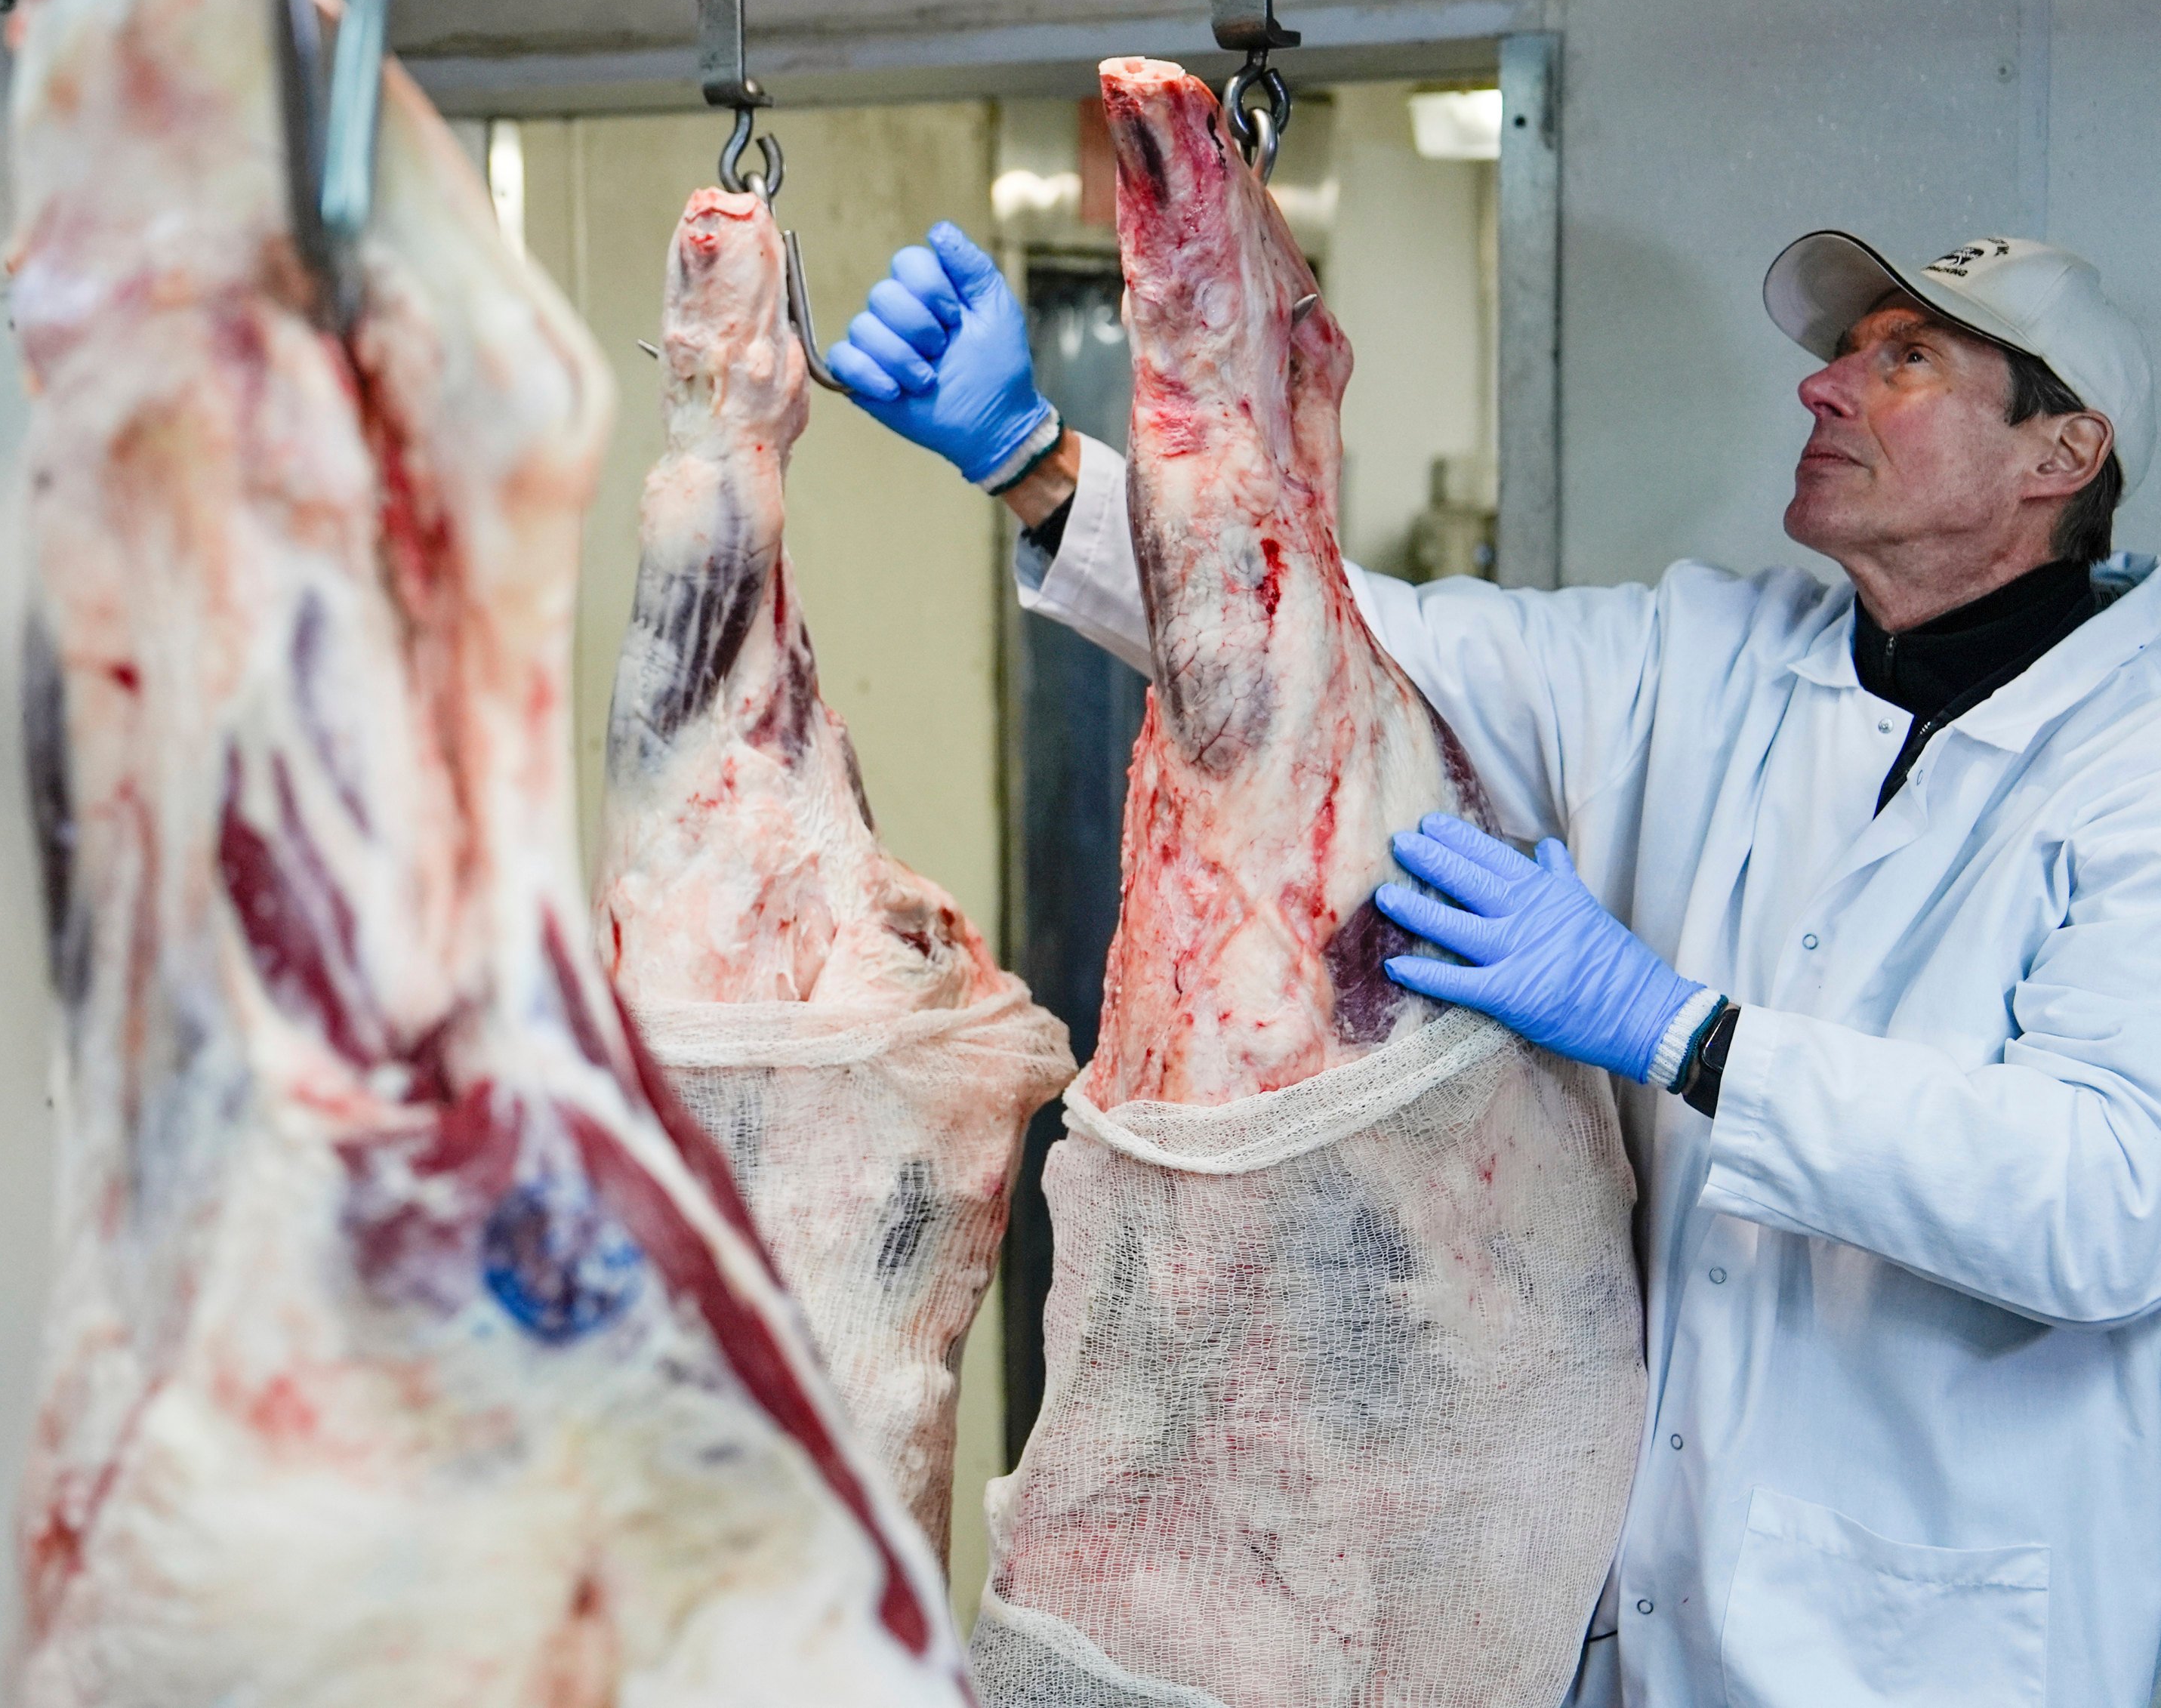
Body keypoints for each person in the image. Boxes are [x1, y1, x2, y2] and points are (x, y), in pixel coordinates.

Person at [831, 222, 2161, 1707]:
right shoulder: (1701, 661)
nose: (1823, 390)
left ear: (2060, 450)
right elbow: (1319, 660)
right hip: (1643, 1621)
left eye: (1900, 358)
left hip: (1954, 1640)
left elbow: (2112, 1198)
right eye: (1838, 352)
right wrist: (1036, 465)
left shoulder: (2134, 760)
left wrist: (1682, 1036)